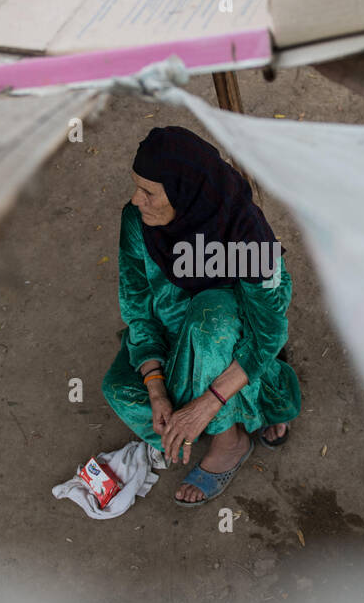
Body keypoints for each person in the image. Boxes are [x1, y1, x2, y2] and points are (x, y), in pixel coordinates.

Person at [101, 126, 302, 506]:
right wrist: (157, 390)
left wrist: (205, 403)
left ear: (185, 193)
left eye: (148, 192)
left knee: (211, 321)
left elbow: (267, 332)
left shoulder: (246, 234)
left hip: (231, 329)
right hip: (175, 333)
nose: (135, 200)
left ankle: (230, 440)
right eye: (136, 186)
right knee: (120, 391)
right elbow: (139, 313)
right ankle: (246, 404)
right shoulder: (137, 222)